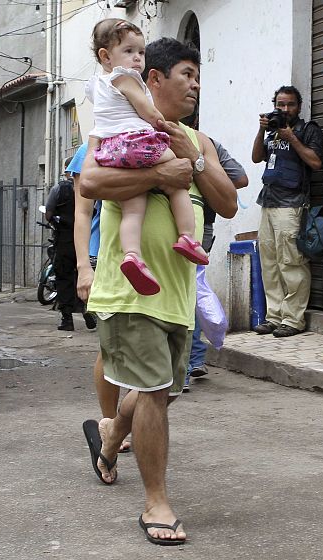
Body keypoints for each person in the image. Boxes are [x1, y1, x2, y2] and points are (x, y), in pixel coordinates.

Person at [79, 37, 236, 546]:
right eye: (186, 74)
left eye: (198, 76)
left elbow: (229, 203)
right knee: (153, 392)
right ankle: (157, 504)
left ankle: (109, 439)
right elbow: (90, 184)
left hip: (178, 292)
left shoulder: (198, 140)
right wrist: (161, 171)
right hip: (129, 291)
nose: (195, 84)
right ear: (155, 80)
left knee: (161, 392)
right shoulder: (114, 129)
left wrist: (192, 161)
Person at [86, 18, 208, 297]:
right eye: (129, 51)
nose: (138, 58)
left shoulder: (97, 85)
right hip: (137, 143)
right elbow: (147, 112)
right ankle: (188, 237)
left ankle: (132, 256)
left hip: (112, 150)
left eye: (140, 52)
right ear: (106, 57)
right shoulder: (126, 79)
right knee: (178, 177)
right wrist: (161, 125)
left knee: (133, 206)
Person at [251, 85, 323, 337]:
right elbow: (255, 157)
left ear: (298, 107)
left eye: (289, 105)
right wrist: (263, 129)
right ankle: (274, 316)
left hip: (292, 204)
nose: (284, 109)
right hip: (269, 202)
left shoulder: (308, 130)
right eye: (280, 105)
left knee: (291, 263)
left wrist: (292, 137)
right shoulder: (271, 131)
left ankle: (293, 320)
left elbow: (315, 163)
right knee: (269, 264)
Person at [72, 143, 131, 452]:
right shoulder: (90, 149)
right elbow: (82, 213)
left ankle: (126, 419)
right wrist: (84, 267)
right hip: (104, 258)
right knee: (110, 347)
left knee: (137, 345)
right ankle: (110, 422)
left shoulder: (150, 138)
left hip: (143, 260)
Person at [184, 138, 249, 392]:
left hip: (197, 224)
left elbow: (241, 179)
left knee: (187, 290)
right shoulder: (207, 141)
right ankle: (195, 358)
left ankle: (184, 366)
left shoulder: (204, 142)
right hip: (201, 227)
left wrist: (203, 177)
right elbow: (241, 177)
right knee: (192, 288)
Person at [44, 158, 97, 331]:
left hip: (65, 240)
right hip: (86, 240)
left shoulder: (59, 188)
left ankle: (67, 319)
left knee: (64, 278)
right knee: (84, 276)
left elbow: (48, 212)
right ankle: (88, 312)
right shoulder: (89, 185)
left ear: (68, 170)